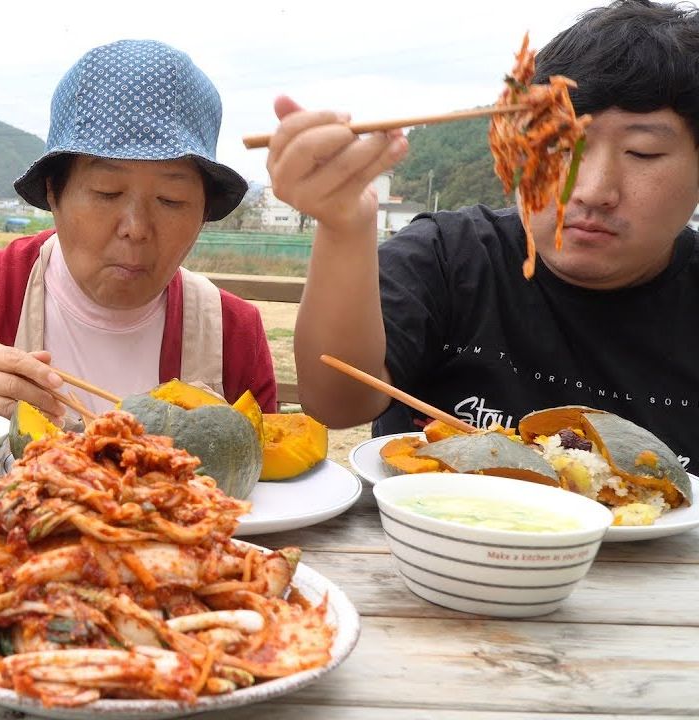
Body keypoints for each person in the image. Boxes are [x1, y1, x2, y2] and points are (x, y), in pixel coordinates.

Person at [271, 0, 699, 465]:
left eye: (643, 152)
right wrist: (343, 226)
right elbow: (337, 401)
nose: (592, 190)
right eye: (556, 145)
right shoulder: (449, 256)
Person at [0, 39, 276, 421]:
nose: (136, 229)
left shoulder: (231, 331)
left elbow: (266, 479)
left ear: (205, 209)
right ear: (54, 191)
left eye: (171, 199)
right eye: (107, 192)